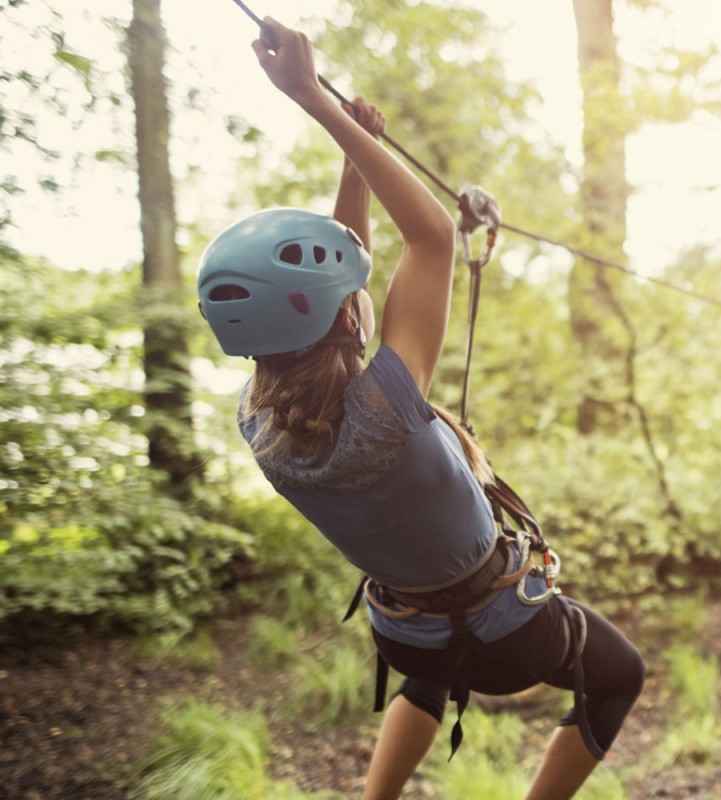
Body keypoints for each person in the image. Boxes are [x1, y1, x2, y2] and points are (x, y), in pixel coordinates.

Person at [197, 17, 645, 800]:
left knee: (427, 683)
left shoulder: (261, 424)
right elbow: (431, 239)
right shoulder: (384, 410)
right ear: (345, 319)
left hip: (406, 632)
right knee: (619, 677)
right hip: (509, 632)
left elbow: (347, 292)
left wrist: (354, 162)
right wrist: (313, 99)